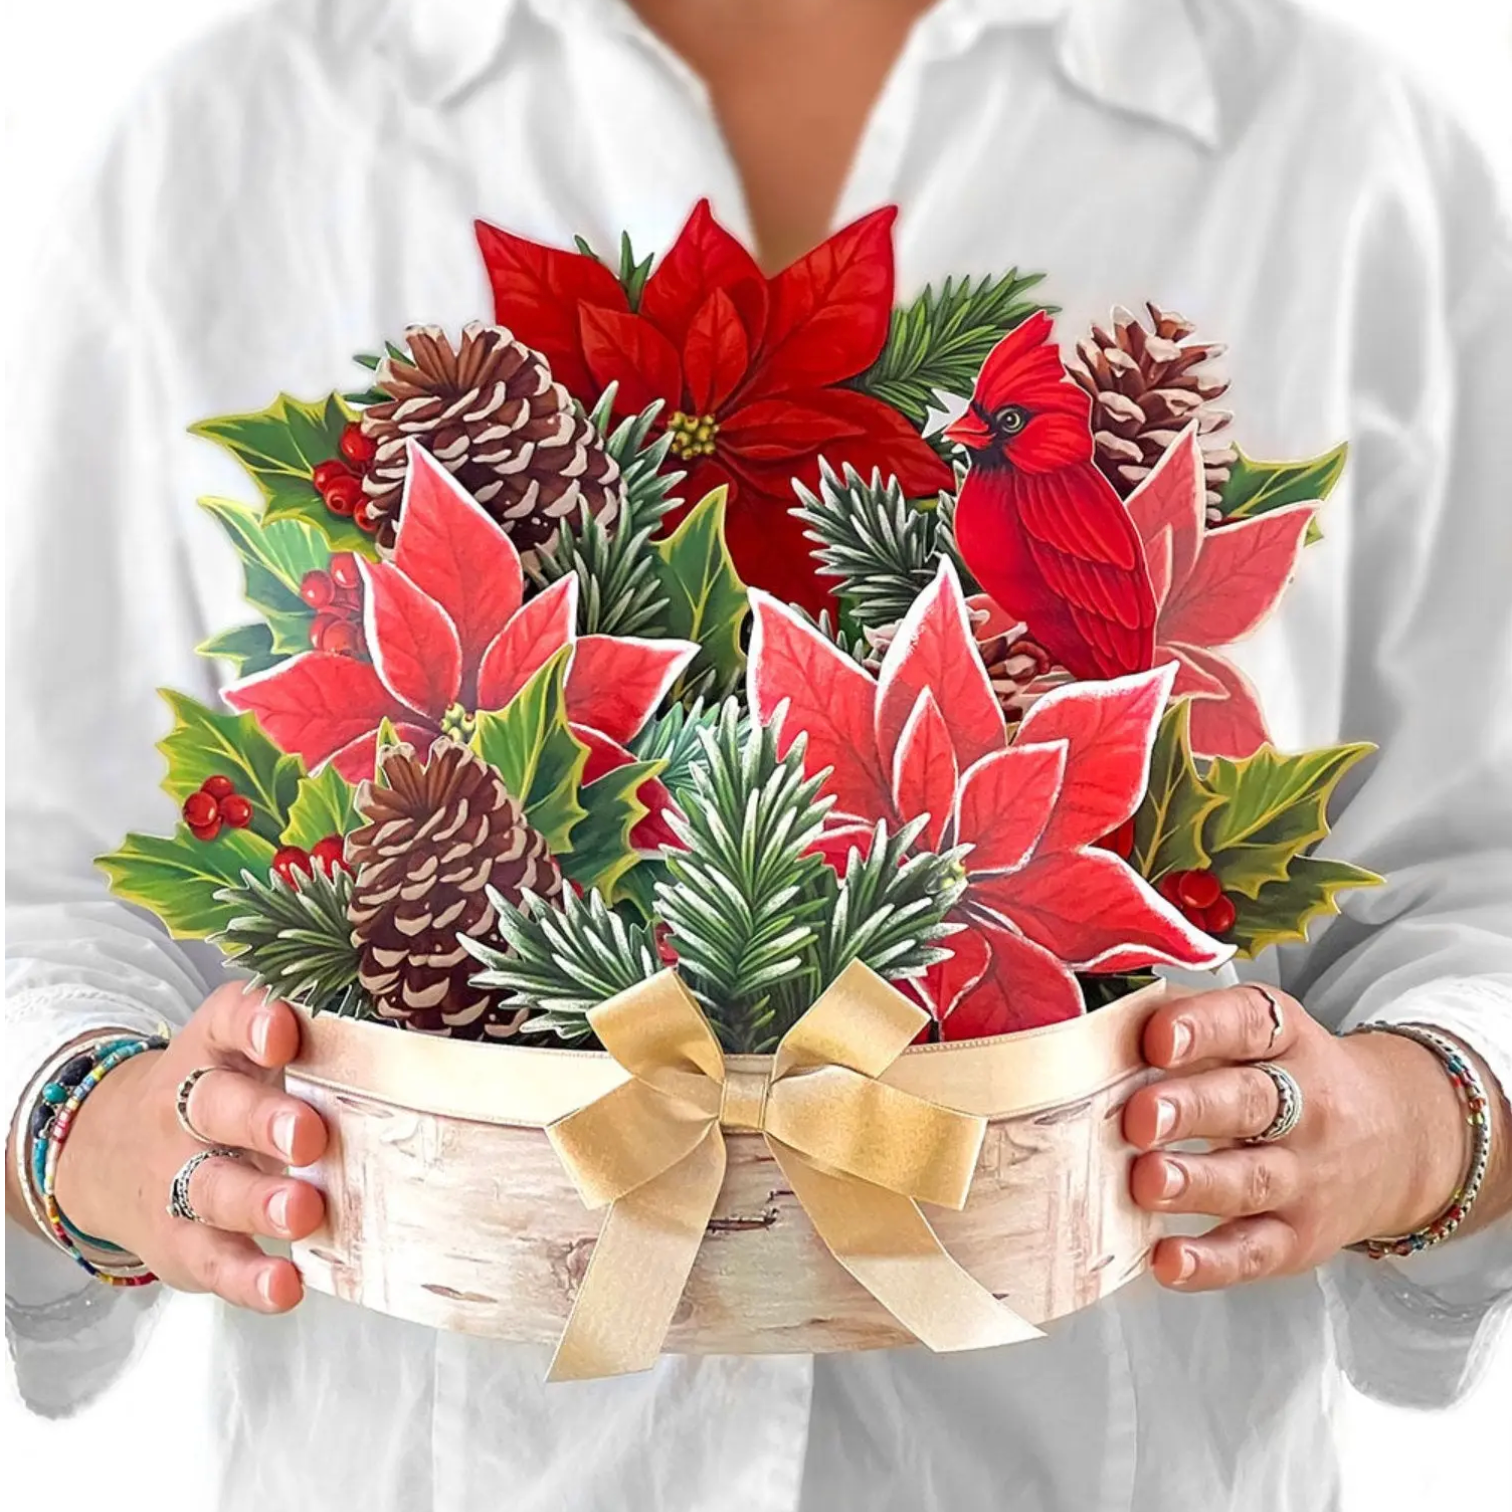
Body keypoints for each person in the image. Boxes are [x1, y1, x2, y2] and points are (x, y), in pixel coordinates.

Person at [6, 1, 1511, 1508]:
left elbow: (1478, 873)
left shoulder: (1345, 154)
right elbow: (45, 866)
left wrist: (1410, 1123)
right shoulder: (219, 152)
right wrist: (96, 1132)